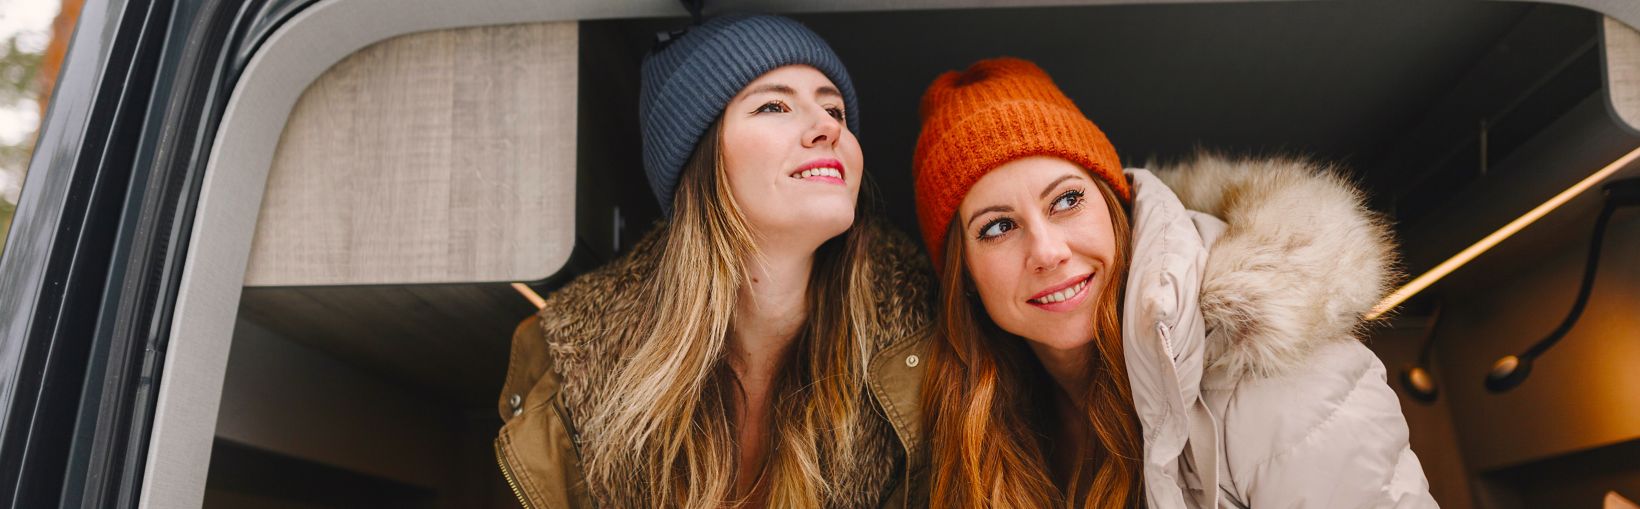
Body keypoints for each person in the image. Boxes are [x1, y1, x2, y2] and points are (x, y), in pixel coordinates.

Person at [912, 57, 1436, 508]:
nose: (1048, 251)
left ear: (1115, 207)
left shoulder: (1266, 362)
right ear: (966, 278)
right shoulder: (975, 427)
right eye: (998, 227)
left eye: (1067, 199)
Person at [493, 14, 933, 508]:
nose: (827, 126)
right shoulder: (569, 372)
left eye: (835, 109)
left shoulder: (926, 359)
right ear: (699, 161)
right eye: (774, 104)